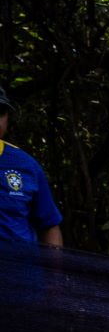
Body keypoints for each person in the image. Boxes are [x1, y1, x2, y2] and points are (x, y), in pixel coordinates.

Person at [0, 85, 63, 248]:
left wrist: (54, 273)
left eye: (1, 113)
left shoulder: (25, 164)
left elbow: (49, 225)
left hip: (20, 271)